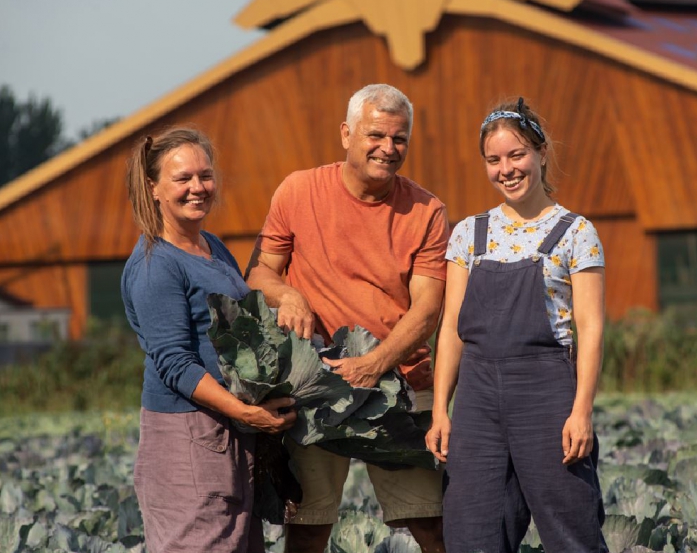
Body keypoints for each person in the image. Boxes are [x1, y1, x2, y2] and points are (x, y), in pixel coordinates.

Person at [247, 84, 449, 553]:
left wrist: (376, 363)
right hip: (317, 383)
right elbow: (259, 273)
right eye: (376, 135)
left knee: (431, 526)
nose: (388, 148)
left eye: (400, 139)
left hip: (402, 383)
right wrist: (288, 295)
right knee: (310, 526)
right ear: (346, 133)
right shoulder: (298, 190)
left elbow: (428, 310)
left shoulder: (428, 211)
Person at [426, 98, 609, 553]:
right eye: (494, 160)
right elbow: (451, 328)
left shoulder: (575, 232)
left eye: (516, 155)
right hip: (477, 397)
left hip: (546, 393)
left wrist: (581, 410)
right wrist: (439, 410)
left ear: (541, 153)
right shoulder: (470, 232)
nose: (506, 169)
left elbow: (590, 330)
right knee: (472, 529)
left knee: (571, 524)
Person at [121, 126, 297, 553]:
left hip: (231, 431)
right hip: (188, 434)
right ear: (154, 187)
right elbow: (175, 364)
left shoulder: (212, 247)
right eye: (183, 179)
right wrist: (245, 412)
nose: (197, 188)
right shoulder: (155, 264)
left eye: (205, 175)